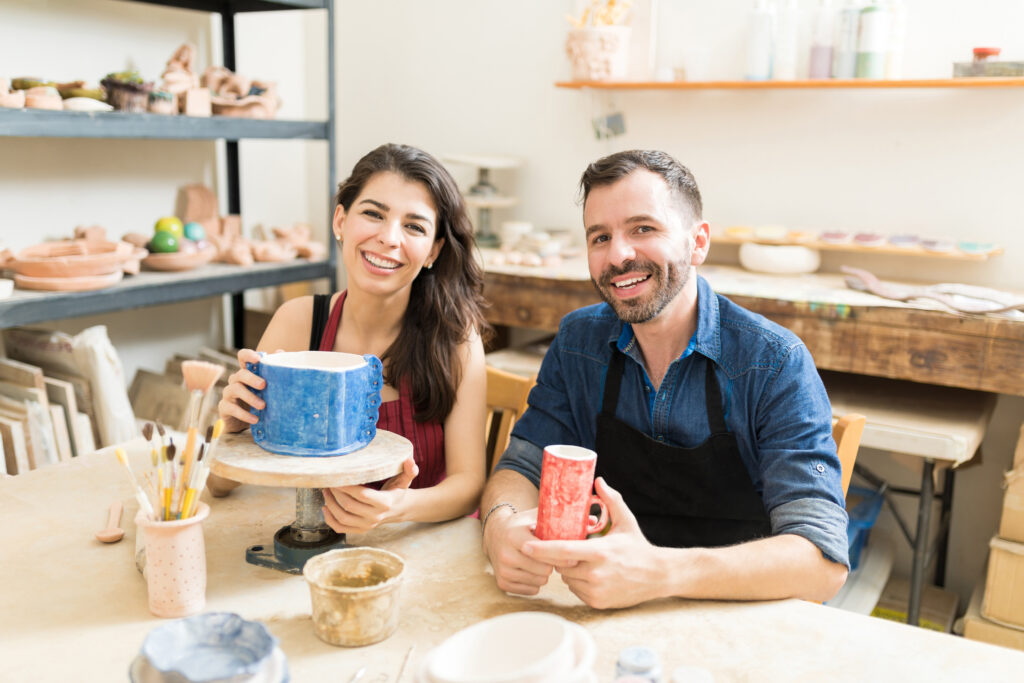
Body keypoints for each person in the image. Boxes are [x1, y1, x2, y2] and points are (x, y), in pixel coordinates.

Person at [481, 150, 849, 609]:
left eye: (643, 229)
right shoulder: (579, 342)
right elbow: (522, 466)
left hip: (738, 617)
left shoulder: (773, 362)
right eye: (600, 237)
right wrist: (500, 525)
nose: (618, 255)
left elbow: (822, 563)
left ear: (698, 242)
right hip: (602, 606)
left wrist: (659, 572)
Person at [212, 143, 489, 533]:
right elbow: (218, 486)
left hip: (419, 547)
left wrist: (397, 507)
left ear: (434, 251)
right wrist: (232, 430)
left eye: (414, 226)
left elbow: (469, 485)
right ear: (340, 221)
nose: (389, 238)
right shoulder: (298, 323)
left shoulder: (457, 338)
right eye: (373, 214)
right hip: (311, 549)